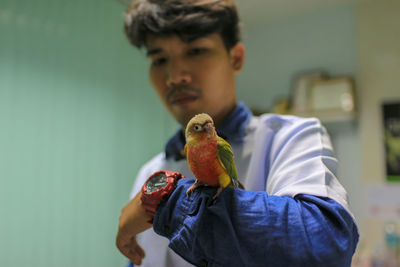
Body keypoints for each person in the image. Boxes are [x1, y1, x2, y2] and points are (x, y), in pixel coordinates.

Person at [116, 0, 359, 266]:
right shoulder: (148, 172)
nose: (175, 76)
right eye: (160, 59)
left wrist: (163, 200)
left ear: (236, 58)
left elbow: (327, 245)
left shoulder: (290, 138)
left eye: (196, 50)